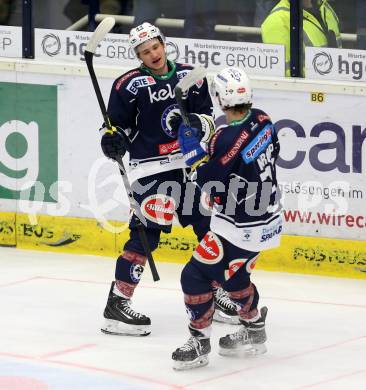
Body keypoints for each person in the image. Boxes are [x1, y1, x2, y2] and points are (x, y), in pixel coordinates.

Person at [99, 22, 239, 337]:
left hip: (188, 165)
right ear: (138, 55)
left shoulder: (190, 77)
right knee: (146, 235)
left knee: (209, 228)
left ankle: (214, 291)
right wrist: (112, 139)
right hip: (150, 169)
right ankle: (118, 304)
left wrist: (197, 126)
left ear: (164, 44)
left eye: (155, 47)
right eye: (145, 51)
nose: (153, 54)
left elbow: (207, 117)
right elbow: (114, 126)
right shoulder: (128, 84)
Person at [171, 66, 283, 370]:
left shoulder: (225, 136)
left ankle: (199, 341)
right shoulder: (263, 118)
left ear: (220, 99)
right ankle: (254, 330)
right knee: (234, 276)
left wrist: (191, 151)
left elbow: (210, 181)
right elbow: (264, 151)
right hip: (268, 219)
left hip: (238, 226)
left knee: (194, 275)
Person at [261, 0, 342, 76]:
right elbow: (285, 80)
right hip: (309, 89)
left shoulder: (325, 7)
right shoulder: (277, 21)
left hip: (335, 85)